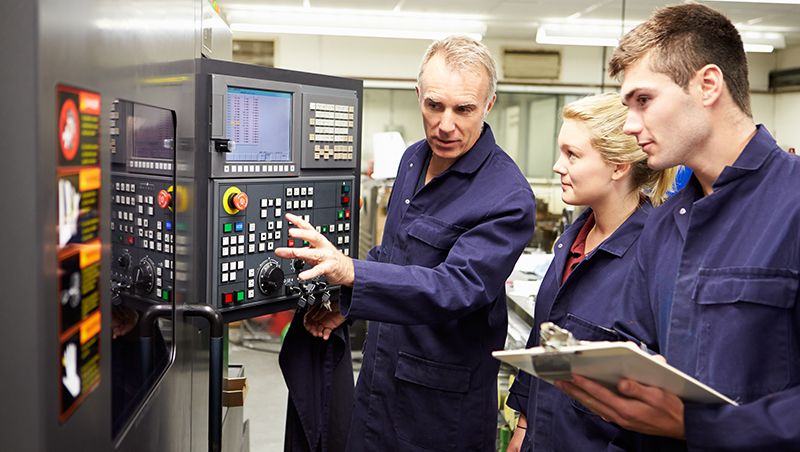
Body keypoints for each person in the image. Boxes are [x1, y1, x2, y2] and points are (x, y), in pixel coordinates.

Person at [555, 4, 800, 450]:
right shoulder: (666, 222)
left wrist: (701, 426)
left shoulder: (793, 204)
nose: (630, 126)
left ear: (707, 85)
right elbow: (636, 343)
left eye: (643, 101)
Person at [276, 35, 536, 451]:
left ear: (488, 105)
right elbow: (393, 253)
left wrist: (352, 271)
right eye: (434, 105)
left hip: (441, 412)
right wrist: (349, 304)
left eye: (463, 109)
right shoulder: (413, 159)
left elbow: (454, 288)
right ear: (418, 96)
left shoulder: (507, 196)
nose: (445, 124)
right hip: (378, 386)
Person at [504, 93, 676, 452]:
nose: (557, 165)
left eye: (572, 155)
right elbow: (542, 345)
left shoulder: (656, 256)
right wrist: (522, 427)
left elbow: (657, 400)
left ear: (618, 166)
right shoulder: (571, 242)